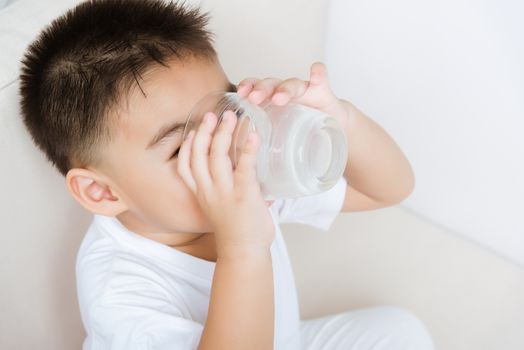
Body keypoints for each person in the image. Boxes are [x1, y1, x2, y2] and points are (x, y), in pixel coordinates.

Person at [18, 0, 434, 349]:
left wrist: (341, 119)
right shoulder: (121, 294)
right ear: (101, 192)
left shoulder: (243, 173)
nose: (227, 148)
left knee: (401, 332)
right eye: (184, 148)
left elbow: (390, 189)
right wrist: (244, 248)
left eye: (227, 113)